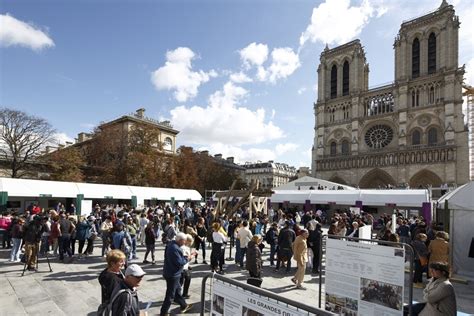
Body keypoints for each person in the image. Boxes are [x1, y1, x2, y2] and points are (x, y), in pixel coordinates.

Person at [160, 232, 193, 315]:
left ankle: (184, 305)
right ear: (181, 240)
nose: (185, 243)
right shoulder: (175, 248)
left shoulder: (171, 244)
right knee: (170, 295)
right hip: (173, 274)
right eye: (184, 241)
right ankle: (163, 312)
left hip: (170, 271)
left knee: (177, 291)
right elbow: (179, 262)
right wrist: (188, 258)